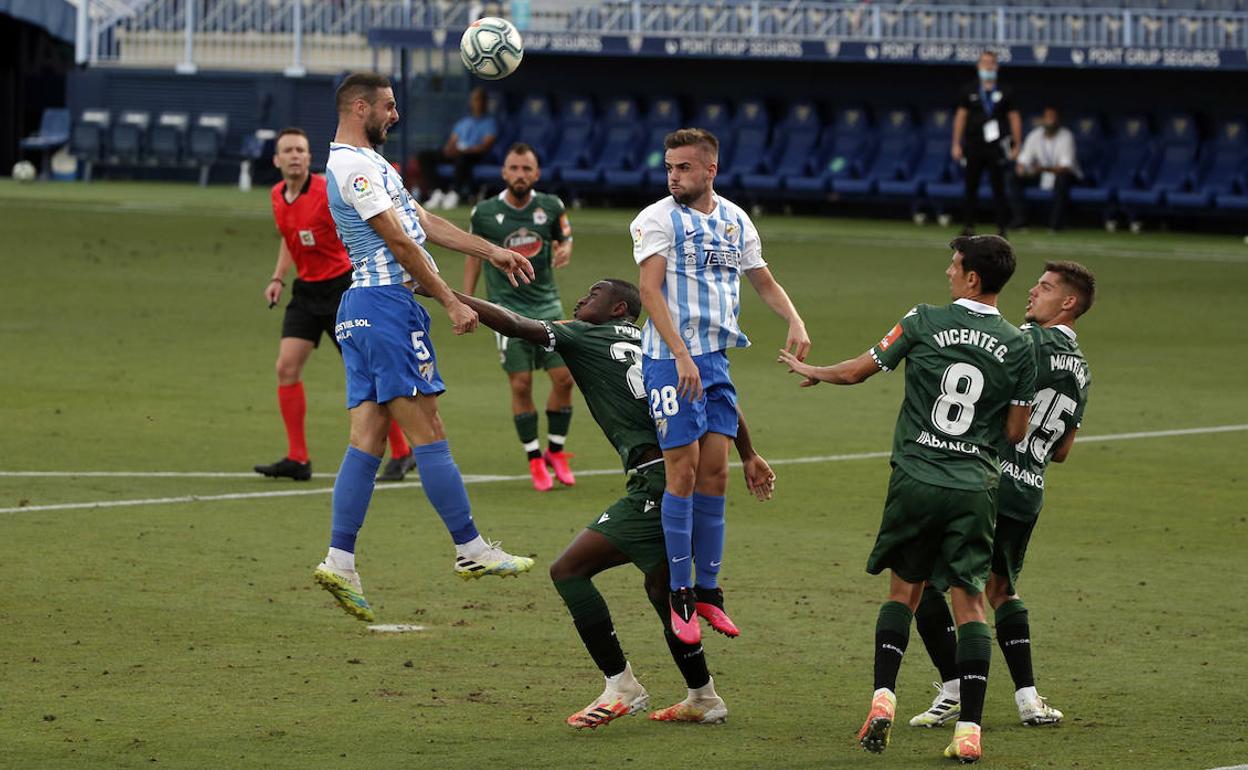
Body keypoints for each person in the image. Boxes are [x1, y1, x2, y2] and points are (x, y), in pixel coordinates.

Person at [430, 277, 776, 728]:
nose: (580, 299)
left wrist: (440, 289)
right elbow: (715, 391)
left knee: (569, 571)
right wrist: (747, 453)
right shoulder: (661, 339)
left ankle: (622, 686)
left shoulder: (583, 333)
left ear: (618, 309)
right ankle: (704, 697)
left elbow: (516, 324)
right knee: (663, 591)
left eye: (592, 294)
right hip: (686, 478)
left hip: (657, 484)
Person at [778, 235, 1036, 763]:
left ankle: (883, 698)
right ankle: (969, 730)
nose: (947, 270)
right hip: (974, 487)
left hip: (915, 479)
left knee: (904, 594)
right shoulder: (1020, 344)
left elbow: (856, 371)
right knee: (969, 603)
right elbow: (1015, 430)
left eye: (954, 264)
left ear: (970, 277)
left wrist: (814, 371)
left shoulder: (923, 321)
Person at [312, 73, 537, 623]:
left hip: (360, 310)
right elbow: (397, 239)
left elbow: (422, 222)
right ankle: (470, 549)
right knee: (428, 432)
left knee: (367, 440)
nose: (396, 115)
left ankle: (340, 561)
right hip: (388, 309)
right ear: (358, 106)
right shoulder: (353, 167)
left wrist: (490, 252)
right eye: (388, 106)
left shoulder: (373, 164)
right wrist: (452, 301)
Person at [632, 127, 809, 646]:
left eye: (683, 168)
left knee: (716, 474)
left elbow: (764, 282)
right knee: (682, 471)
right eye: (669, 167)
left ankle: (709, 591)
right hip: (669, 358)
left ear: (710, 169)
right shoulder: (657, 219)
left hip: (713, 359)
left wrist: (794, 321)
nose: (673, 176)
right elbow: (648, 291)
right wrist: (682, 355)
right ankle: (680, 592)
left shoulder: (734, 220)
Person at [907, 261, 1094, 731]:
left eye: (1047, 288)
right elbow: (1064, 450)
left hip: (985, 480)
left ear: (1069, 303)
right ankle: (1029, 700)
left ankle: (954, 688)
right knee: (1001, 588)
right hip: (1028, 490)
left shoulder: (1026, 342)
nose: (1032, 292)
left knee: (923, 580)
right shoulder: (1084, 369)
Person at [254, 127, 417, 484]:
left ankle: (403, 453)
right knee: (286, 368)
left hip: (343, 290)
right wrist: (278, 278)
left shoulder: (326, 191)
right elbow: (289, 237)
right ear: (276, 160)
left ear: (310, 157)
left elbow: (359, 228)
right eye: (288, 150)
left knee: (371, 375)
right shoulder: (278, 195)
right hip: (306, 293)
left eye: (301, 149)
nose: (295, 155)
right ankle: (298, 459)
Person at [466, 142, 577, 491]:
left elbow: (565, 236)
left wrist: (565, 249)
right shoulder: (483, 213)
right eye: (514, 168)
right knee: (521, 383)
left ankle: (555, 452)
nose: (520, 174)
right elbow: (473, 255)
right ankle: (534, 458)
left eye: (527, 169)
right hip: (505, 312)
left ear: (537, 174)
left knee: (564, 379)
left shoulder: (551, 206)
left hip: (548, 308)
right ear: (503, 172)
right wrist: (467, 300)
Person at [952, 51, 1022, 238]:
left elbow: (1014, 117)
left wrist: (1017, 144)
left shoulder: (1006, 91)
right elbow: (961, 117)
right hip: (973, 145)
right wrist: (956, 143)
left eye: (991, 63)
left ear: (996, 66)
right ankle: (968, 226)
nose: (988, 66)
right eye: (984, 63)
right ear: (978, 66)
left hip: (996, 147)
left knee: (998, 187)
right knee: (970, 187)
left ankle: (1001, 227)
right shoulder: (969, 90)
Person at [417, 87, 498, 210]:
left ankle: (454, 193)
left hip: (474, 155)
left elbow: (485, 146)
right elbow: (452, 141)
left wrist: (464, 151)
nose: (477, 103)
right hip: (457, 153)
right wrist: (449, 149)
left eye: (480, 100)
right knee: (424, 156)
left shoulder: (489, 122)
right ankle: (438, 191)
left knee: (463, 158)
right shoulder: (464, 122)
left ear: (485, 102)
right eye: (475, 100)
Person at [1014, 107, 1080, 232]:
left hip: (1063, 175)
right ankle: (1020, 221)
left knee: (1062, 180)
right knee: (1012, 177)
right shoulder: (1035, 135)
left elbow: (1064, 167)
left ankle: (1054, 225)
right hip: (1041, 173)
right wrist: (1021, 168)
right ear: (1043, 119)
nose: (1050, 120)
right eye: (1048, 117)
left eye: (1053, 117)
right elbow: (1023, 160)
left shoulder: (1066, 136)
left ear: (1058, 120)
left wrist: (1041, 169)